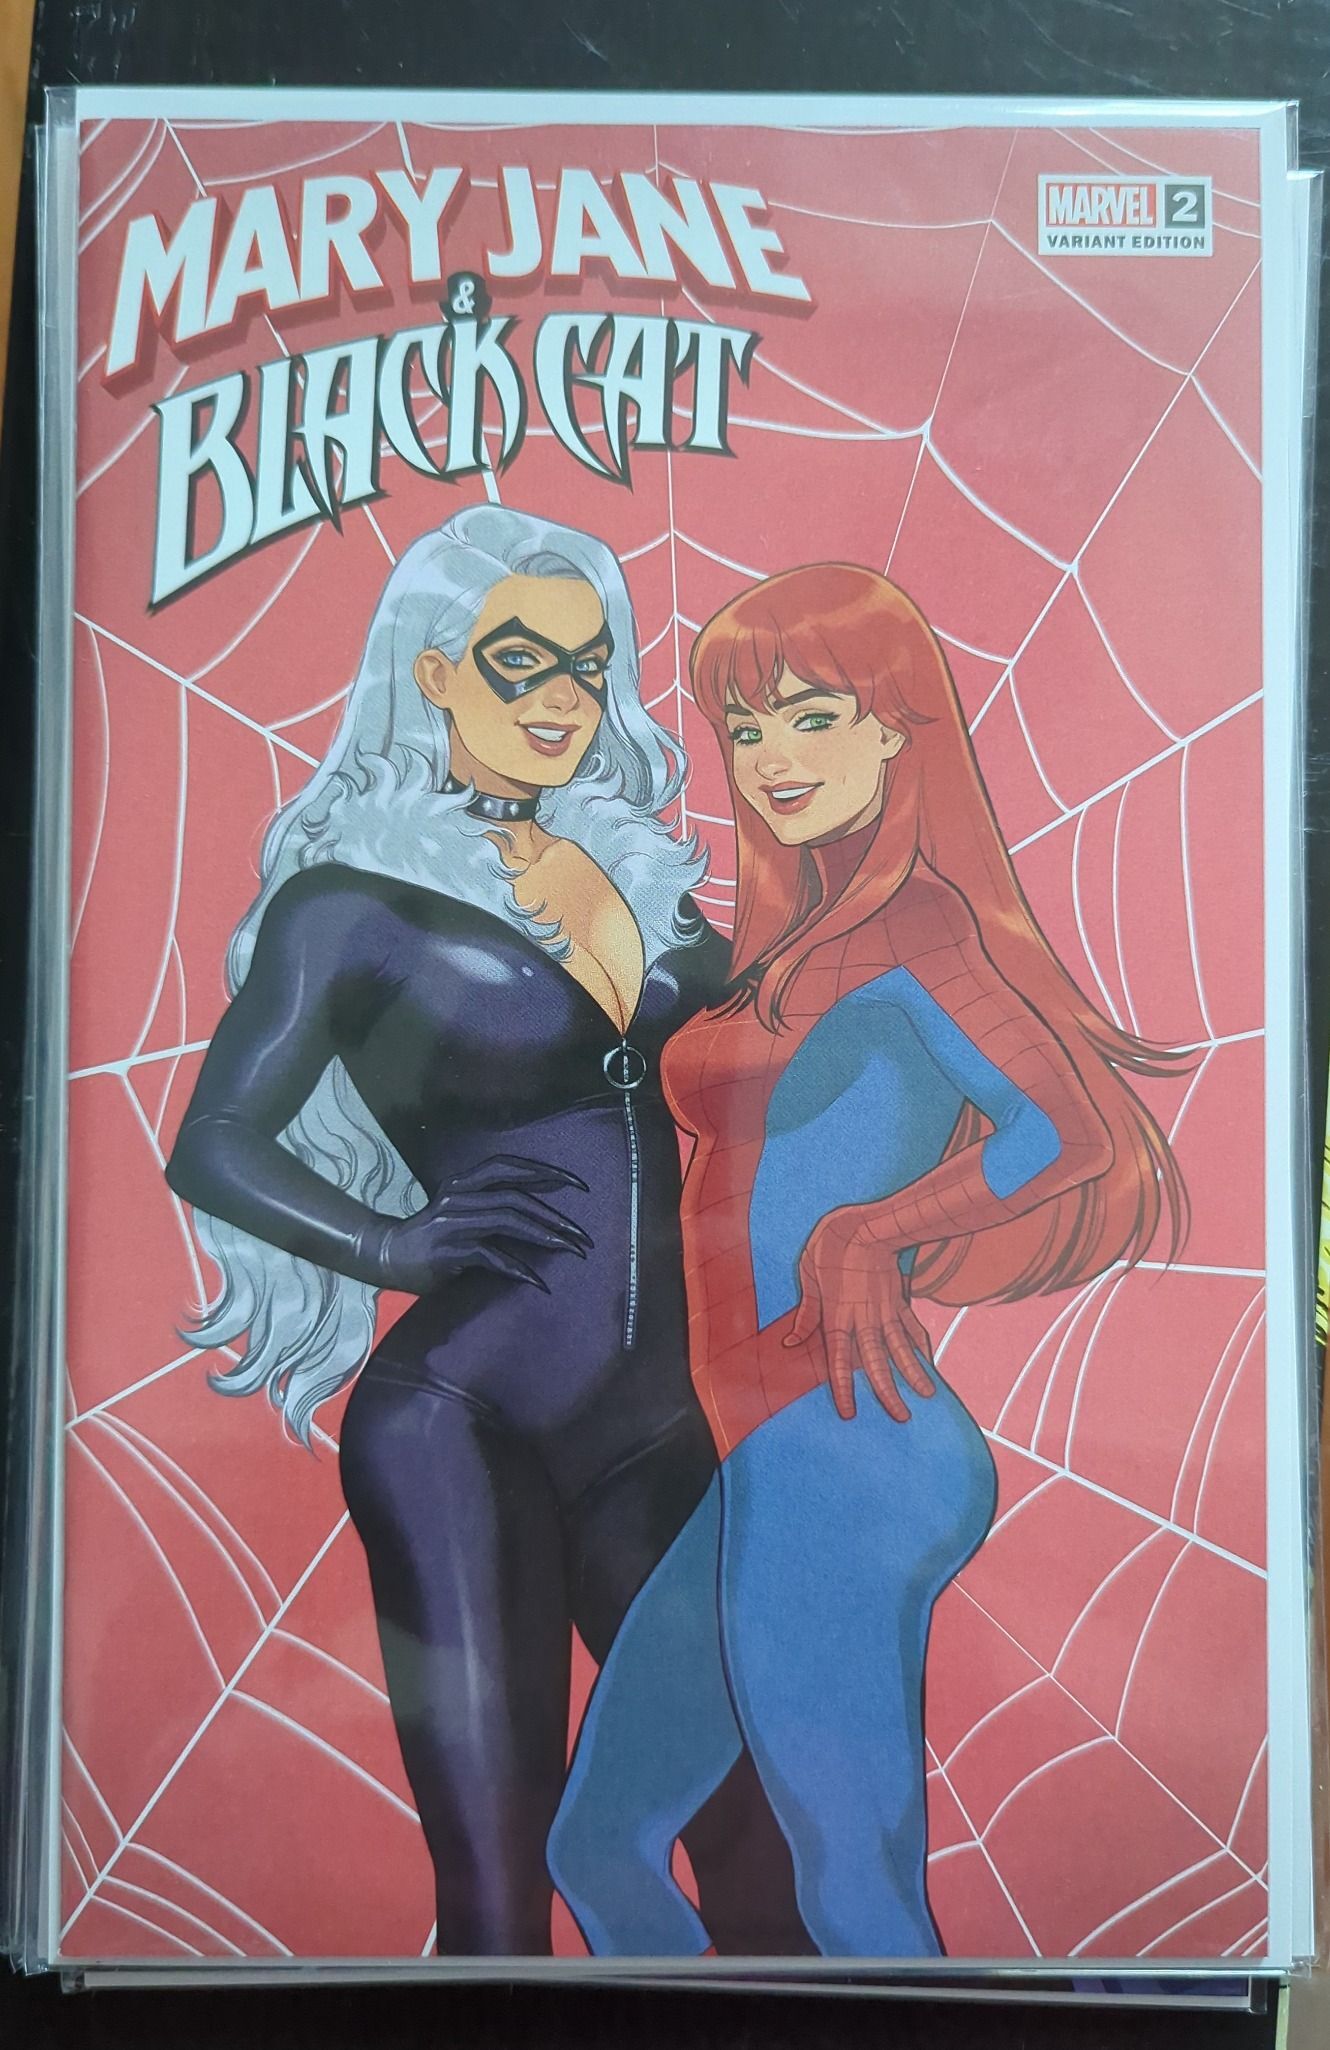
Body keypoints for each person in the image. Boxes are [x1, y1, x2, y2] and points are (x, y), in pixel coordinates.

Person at [164, 505, 808, 1958]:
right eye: (520, 661)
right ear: (435, 669)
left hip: (659, 1428)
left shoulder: (642, 878)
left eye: (587, 664)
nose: (561, 698)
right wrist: (392, 1248)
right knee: (499, 1894)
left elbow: (774, 1056)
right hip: (462, 1422)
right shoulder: (349, 905)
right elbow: (212, 1140)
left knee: (764, 1859)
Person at [547, 562, 1188, 1959]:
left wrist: (869, 1229)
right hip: (771, 1455)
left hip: (844, 1446)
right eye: (745, 727)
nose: (770, 757)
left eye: (812, 716)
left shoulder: (915, 926)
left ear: (896, 725)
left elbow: (1071, 1129)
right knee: (597, 1844)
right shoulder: (811, 934)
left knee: (855, 1890)